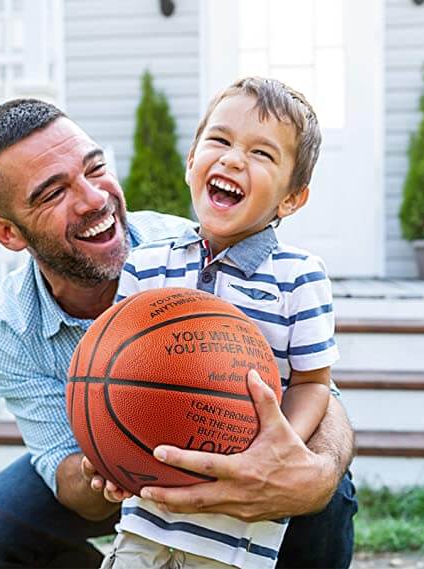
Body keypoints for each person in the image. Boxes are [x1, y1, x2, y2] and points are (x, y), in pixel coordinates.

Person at [0, 98, 357, 569]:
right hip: (122, 467)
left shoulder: (200, 247)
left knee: (322, 488)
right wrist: (103, 464)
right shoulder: (9, 328)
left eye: (95, 168)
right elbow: (66, 474)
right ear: (8, 233)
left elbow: (316, 389)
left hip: (226, 444)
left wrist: (314, 473)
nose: (94, 199)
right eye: (52, 193)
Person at [92, 76, 343, 569]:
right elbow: (109, 372)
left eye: (261, 154)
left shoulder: (299, 277)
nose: (232, 159)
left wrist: (277, 449)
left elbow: (314, 382)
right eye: (220, 140)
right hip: (148, 513)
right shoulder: (145, 264)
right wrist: (105, 444)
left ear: (292, 199)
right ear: (191, 161)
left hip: (237, 530)